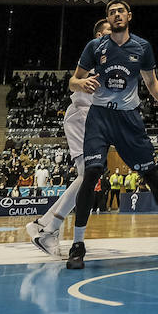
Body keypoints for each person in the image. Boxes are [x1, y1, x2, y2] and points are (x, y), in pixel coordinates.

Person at [62, 0, 158, 270]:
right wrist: (81, 82)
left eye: (121, 11)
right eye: (112, 12)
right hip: (100, 116)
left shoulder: (142, 47)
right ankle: (78, 243)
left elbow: (151, 83)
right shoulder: (95, 47)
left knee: (151, 175)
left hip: (128, 119)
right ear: (108, 18)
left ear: (129, 16)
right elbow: (73, 79)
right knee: (91, 173)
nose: (117, 15)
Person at [24, 19, 111, 256]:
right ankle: (47, 227)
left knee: (88, 176)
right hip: (82, 115)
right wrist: (82, 83)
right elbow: (74, 84)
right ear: (98, 36)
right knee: (88, 175)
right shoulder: (95, 53)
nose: (113, 34)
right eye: (108, 31)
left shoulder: (114, 58)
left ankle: (44, 225)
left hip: (95, 119)